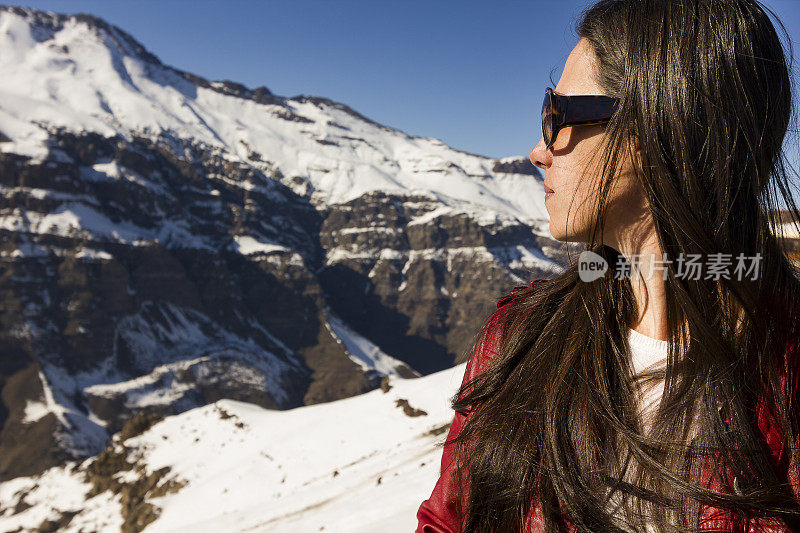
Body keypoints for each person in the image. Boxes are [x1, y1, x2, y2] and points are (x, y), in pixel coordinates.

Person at [415, 0, 800, 531]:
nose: (538, 150)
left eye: (557, 116)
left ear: (657, 127)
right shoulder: (519, 338)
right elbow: (448, 520)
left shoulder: (787, 378)